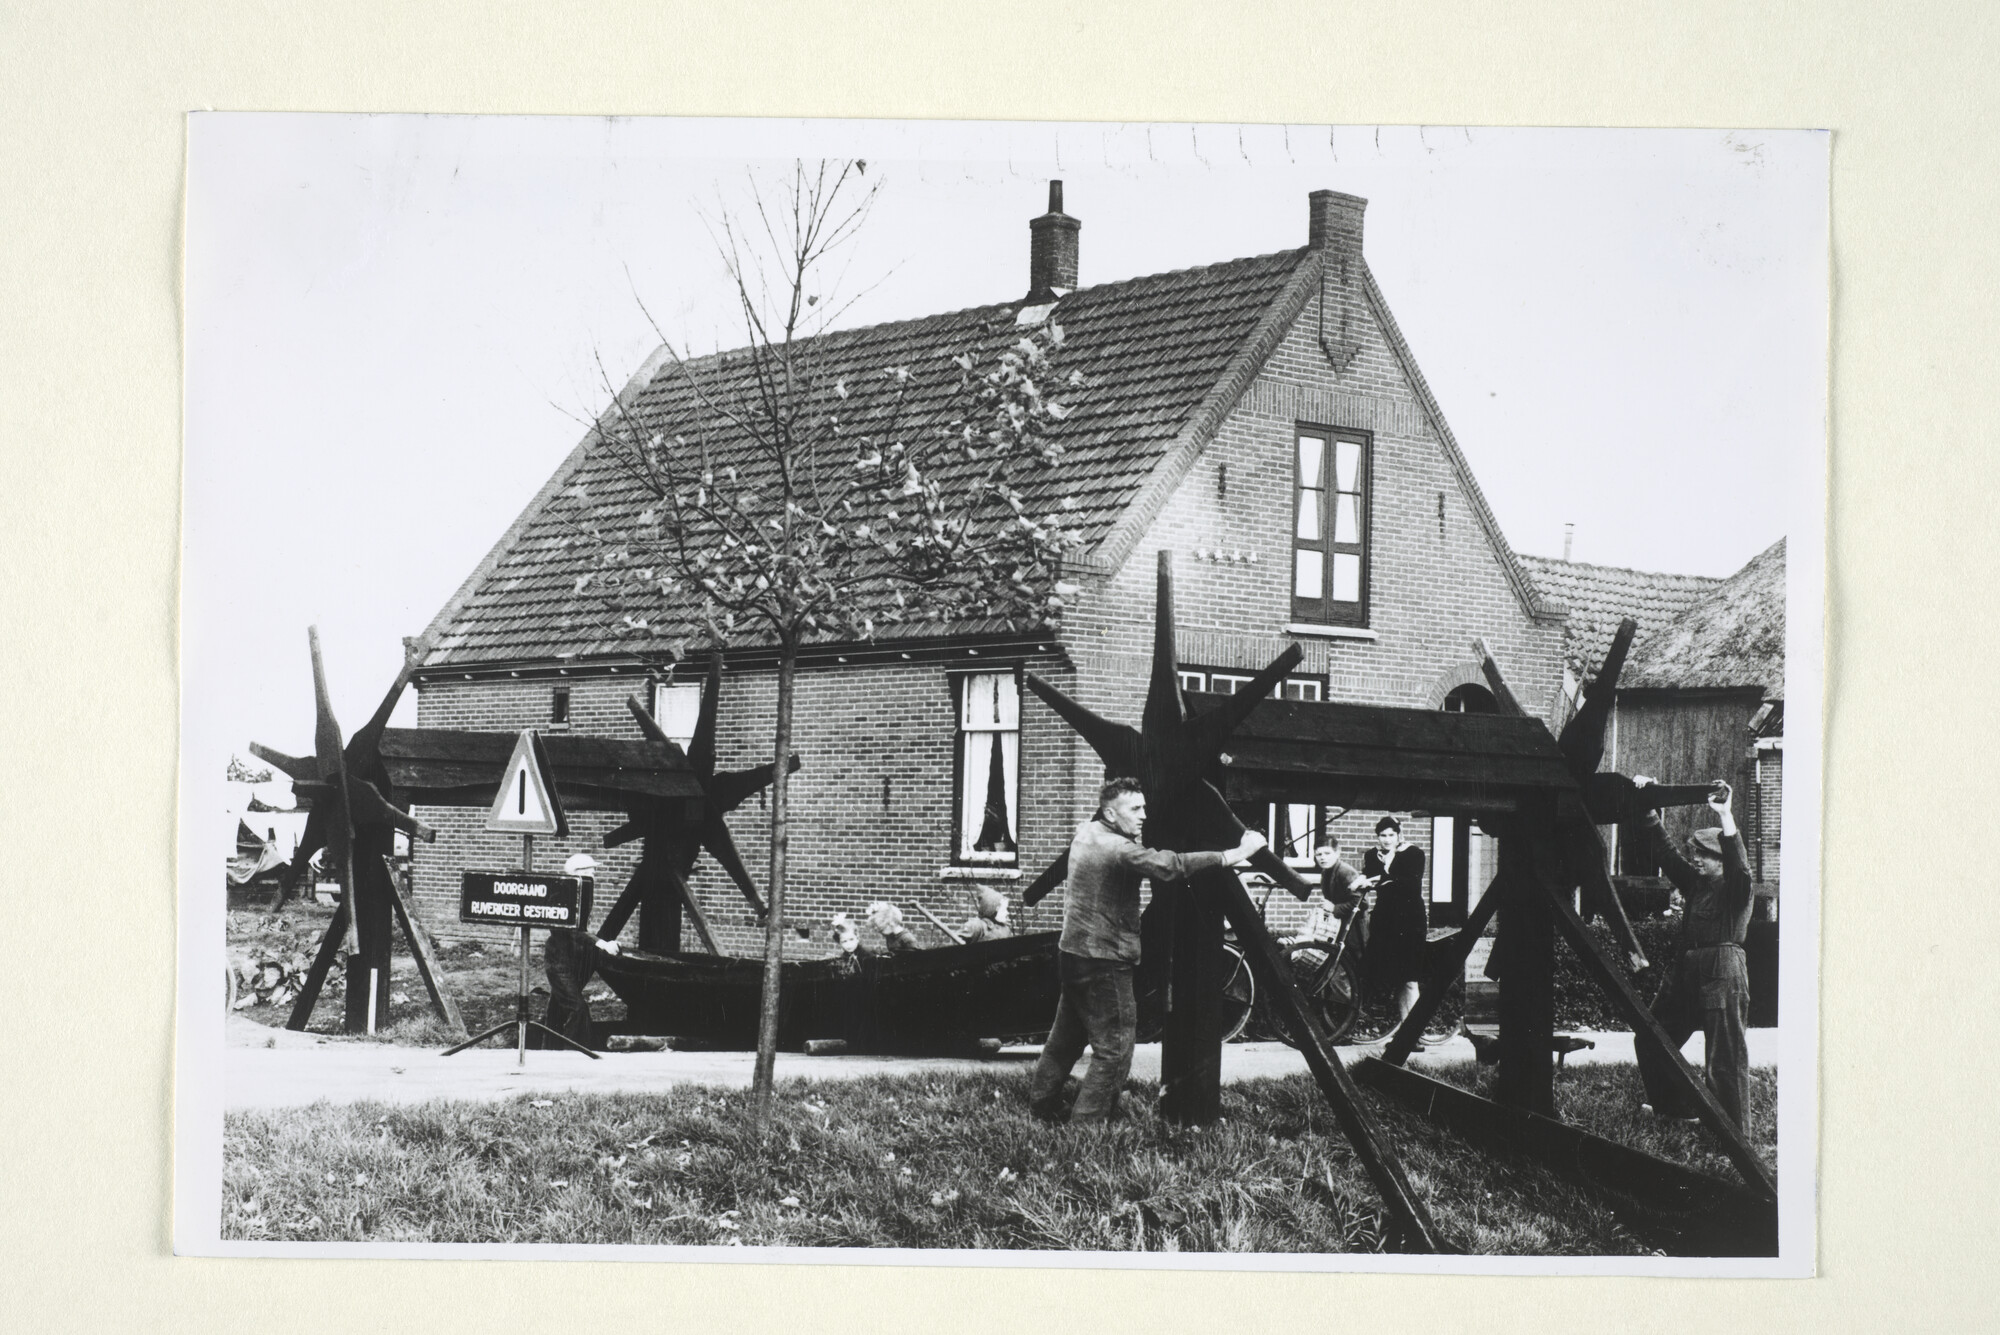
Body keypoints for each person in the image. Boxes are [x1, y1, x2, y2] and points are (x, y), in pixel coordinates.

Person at [1028, 778, 1265, 1123]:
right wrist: (1237, 853)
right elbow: (1170, 866)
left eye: (1144, 807)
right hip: (1105, 961)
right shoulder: (1119, 849)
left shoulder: (1087, 832)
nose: (1144, 816)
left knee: (1065, 1039)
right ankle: (1085, 1131)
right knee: (1115, 1050)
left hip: (1074, 954)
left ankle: (1042, 1108)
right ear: (1110, 812)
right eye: (1135, 809)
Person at [1632, 777, 1755, 1128]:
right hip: (1687, 969)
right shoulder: (1697, 884)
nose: (1696, 860)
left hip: (1723, 970)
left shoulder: (1736, 889)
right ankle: (1674, 1110)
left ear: (1721, 860)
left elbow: (1740, 866)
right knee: (1652, 1037)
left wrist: (1725, 816)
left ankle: (1732, 1135)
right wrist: (1648, 805)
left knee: (1724, 1057)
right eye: (1696, 854)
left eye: (1704, 855)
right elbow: (1667, 854)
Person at [1360, 815, 1427, 1038]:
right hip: (1385, 921)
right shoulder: (1372, 855)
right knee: (1381, 973)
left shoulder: (1414, 854)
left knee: (1409, 977)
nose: (1387, 840)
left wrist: (1384, 878)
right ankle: (1382, 1024)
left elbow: (1411, 885)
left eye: (1391, 835)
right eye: (1382, 835)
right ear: (1377, 837)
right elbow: (1370, 878)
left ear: (1399, 835)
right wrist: (1386, 880)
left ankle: (1412, 1033)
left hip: (1409, 921)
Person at [1309, 838, 1370, 950]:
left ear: (1337, 853)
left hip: (1354, 928)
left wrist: (1334, 908)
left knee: (1354, 963)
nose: (1322, 857)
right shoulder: (1326, 872)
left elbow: (1363, 902)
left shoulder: (1345, 871)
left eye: (1327, 853)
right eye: (1318, 854)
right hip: (1338, 926)